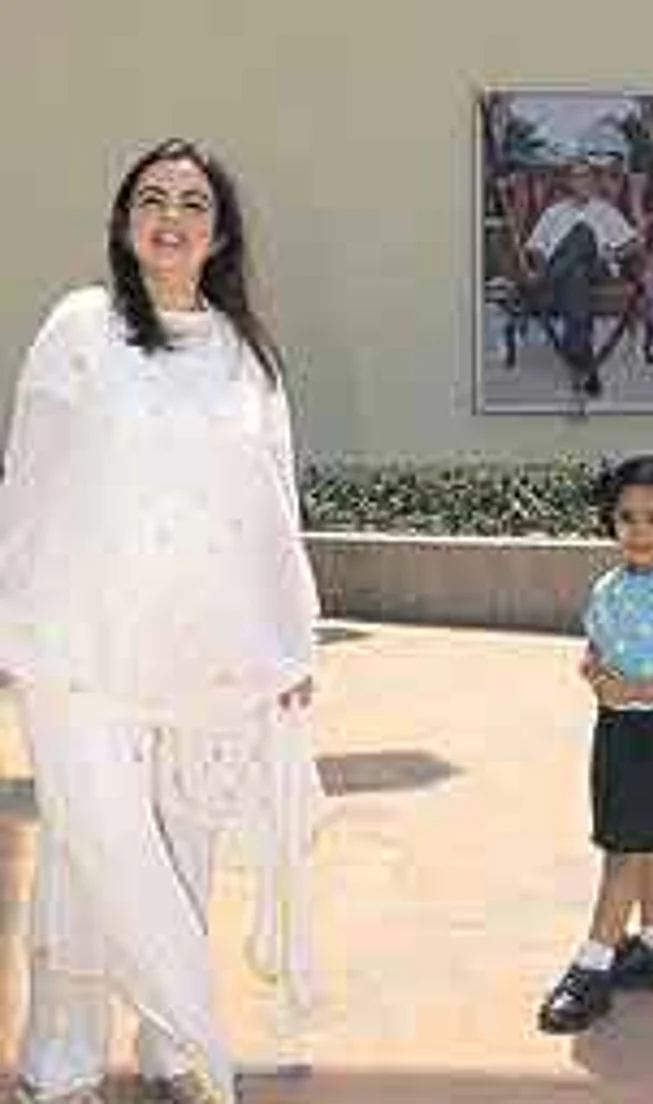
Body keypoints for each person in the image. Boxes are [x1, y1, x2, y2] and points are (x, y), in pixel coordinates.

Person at [3, 139, 323, 1103]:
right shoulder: (80, 328)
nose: (171, 217)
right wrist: (13, 619)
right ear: (124, 222)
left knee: (183, 845)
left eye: (192, 202)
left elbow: (272, 502)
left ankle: (171, 1049)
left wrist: (290, 640)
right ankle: (65, 1062)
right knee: (91, 846)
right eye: (152, 198)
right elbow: (30, 476)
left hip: (208, 648)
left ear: (219, 234)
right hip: (83, 647)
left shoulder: (242, 354)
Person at [536, 454, 653, 1034]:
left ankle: (592, 967)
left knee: (625, 850)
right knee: (646, 847)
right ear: (609, 519)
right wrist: (592, 668)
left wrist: (638, 691)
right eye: (626, 517)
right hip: (616, 731)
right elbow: (596, 645)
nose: (639, 531)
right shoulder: (608, 587)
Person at [524, 158, 640, 397]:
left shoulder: (605, 210)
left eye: (587, 176)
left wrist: (613, 253)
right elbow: (535, 248)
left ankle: (543, 286)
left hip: (600, 268)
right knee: (576, 273)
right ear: (568, 181)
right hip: (570, 276)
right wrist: (545, 262)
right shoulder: (553, 212)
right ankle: (586, 365)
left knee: (582, 232)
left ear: (593, 180)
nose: (583, 181)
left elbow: (634, 243)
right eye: (577, 176)